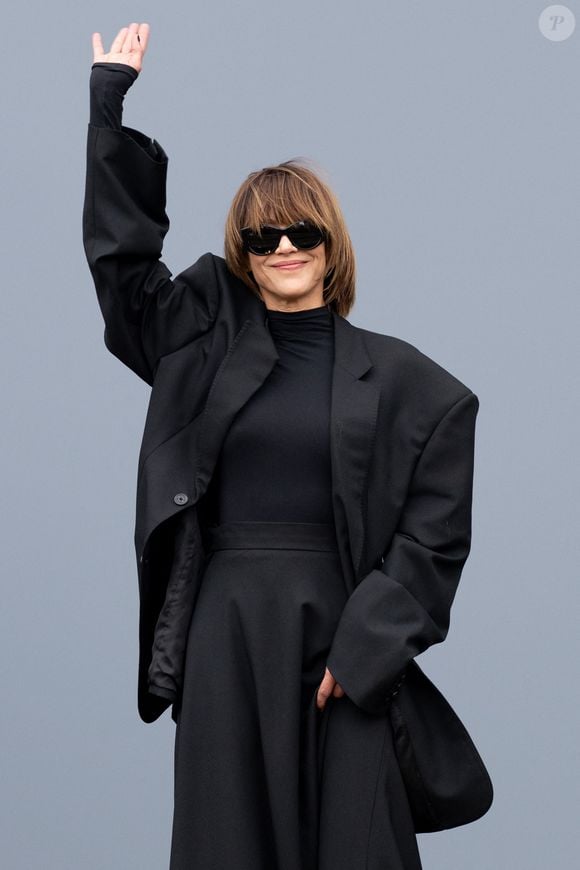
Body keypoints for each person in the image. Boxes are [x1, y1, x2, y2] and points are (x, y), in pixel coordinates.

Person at [83, 22, 480, 870]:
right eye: (264, 238)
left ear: (331, 243)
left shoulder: (416, 387)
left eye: (303, 233)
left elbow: (436, 535)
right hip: (225, 637)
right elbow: (123, 272)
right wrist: (107, 105)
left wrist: (367, 645)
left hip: (344, 641)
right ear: (244, 252)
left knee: (355, 847)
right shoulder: (198, 348)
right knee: (229, 846)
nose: (286, 249)